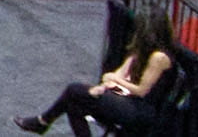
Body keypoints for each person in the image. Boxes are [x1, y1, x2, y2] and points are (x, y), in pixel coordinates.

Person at [16, 41, 176, 134]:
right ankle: (42, 122)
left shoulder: (159, 57)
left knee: (74, 91)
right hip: (124, 97)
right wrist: (105, 85)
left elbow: (142, 91)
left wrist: (115, 81)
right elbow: (118, 73)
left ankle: (42, 121)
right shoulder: (140, 50)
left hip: (141, 110)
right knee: (74, 104)